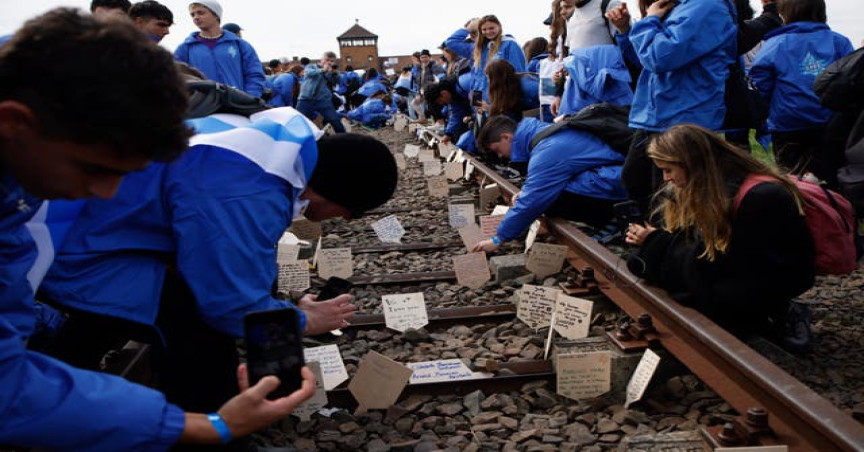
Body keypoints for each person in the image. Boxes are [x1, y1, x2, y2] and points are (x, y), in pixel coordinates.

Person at [0, 8, 314, 451]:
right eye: (95, 168)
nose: (107, 193)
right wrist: (201, 426)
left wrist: (205, 426)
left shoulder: (21, 180)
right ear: (13, 124)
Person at [39, 107, 397, 443]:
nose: (345, 220)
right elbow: (228, 306)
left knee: (175, 290)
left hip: (87, 231)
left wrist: (280, 302)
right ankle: (212, 430)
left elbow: (240, 258)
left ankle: (53, 374)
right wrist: (301, 320)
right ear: (335, 192)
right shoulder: (249, 190)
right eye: (351, 211)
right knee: (196, 324)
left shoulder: (277, 146)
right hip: (73, 251)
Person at [625, 124, 815, 341]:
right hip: (740, 270)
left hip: (766, 279)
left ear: (691, 165)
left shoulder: (759, 197)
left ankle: (778, 313)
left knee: (688, 288)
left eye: (669, 170)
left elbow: (713, 263)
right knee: (652, 267)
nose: (666, 178)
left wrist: (654, 243)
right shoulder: (714, 187)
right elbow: (706, 254)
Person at [618, 0, 736, 212]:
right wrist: (626, 30)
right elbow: (645, 61)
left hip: (686, 116)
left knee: (672, 196)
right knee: (637, 180)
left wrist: (649, 21)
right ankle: (658, 239)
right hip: (659, 115)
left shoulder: (706, 6)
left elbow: (660, 56)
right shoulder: (681, 7)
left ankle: (675, 241)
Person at [472, 115, 628, 253]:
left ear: (506, 137)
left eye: (498, 150)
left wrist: (499, 239)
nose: (501, 155)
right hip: (617, 174)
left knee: (552, 199)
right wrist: (528, 192)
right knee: (548, 191)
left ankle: (611, 220)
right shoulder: (543, 132)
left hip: (618, 183)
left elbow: (534, 198)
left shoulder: (546, 151)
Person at [749, 0, 854, 178]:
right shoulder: (839, 42)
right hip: (831, 125)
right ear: (822, 12)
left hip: (788, 127)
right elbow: (851, 80)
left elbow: (760, 85)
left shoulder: (774, 45)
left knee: (793, 181)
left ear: (785, 14)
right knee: (834, 179)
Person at [174, 1, 266, 98]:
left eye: (201, 13)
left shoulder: (240, 45)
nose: (195, 17)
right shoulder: (185, 47)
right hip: (201, 107)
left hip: (236, 104)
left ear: (216, 15)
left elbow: (254, 74)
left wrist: (249, 98)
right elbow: (176, 77)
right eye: (192, 14)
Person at [445, 15, 526, 104]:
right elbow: (451, 42)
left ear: (499, 26)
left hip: (501, 99)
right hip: (480, 100)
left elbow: (518, 74)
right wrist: (467, 28)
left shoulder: (509, 44)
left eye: (491, 28)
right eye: (484, 30)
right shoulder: (477, 49)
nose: (488, 32)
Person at [295, 51, 345, 133]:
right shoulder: (311, 66)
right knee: (299, 120)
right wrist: (322, 70)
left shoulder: (330, 71)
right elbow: (308, 73)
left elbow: (337, 82)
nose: (329, 62)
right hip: (306, 99)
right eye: (327, 60)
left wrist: (335, 74)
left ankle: (344, 140)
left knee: (335, 121)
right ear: (321, 59)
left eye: (332, 61)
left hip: (323, 100)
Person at [424, 71, 473, 144]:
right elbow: (456, 114)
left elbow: (480, 104)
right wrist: (448, 134)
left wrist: (474, 116)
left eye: (440, 101)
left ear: (443, 93)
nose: (443, 104)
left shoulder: (464, 83)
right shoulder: (452, 95)